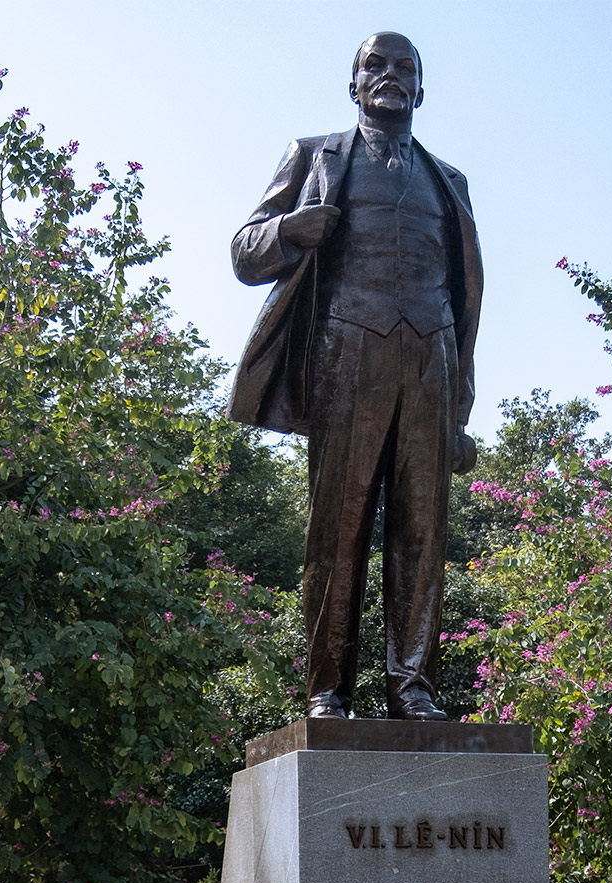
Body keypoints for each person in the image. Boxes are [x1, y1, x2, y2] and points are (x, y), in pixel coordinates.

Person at [228, 31, 483, 722]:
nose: (390, 75)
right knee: (337, 531)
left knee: (423, 535)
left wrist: (460, 407)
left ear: (421, 90)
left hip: (432, 359)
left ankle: (413, 688)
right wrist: (291, 231)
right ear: (355, 84)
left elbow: (465, 296)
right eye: (376, 64)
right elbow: (245, 253)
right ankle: (327, 691)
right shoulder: (313, 155)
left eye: (405, 67)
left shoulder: (449, 181)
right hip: (345, 353)